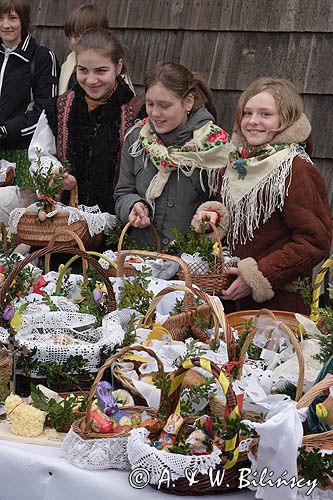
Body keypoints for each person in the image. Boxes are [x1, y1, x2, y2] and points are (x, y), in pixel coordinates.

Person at [192, 77, 332, 314]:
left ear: (285, 119)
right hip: (229, 301)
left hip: (278, 307)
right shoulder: (234, 165)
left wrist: (257, 276)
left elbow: (314, 242)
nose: (253, 121)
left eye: (265, 114)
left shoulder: (295, 169)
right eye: (247, 113)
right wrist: (214, 221)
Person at [114, 61, 233, 249]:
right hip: (141, 257)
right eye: (150, 103)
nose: (155, 113)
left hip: (192, 260)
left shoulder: (214, 146)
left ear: (188, 102)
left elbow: (225, 203)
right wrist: (132, 205)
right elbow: (123, 192)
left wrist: (212, 216)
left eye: (164, 105)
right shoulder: (137, 139)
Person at [28, 28, 142, 216]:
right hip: (64, 222)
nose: (91, 80)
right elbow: (39, 154)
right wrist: (56, 172)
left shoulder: (135, 111)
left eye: (101, 71)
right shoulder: (59, 107)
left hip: (118, 225)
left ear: (118, 66)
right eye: (83, 70)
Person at [0, 0, 59, 187]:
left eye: (12, 18)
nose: (5, 25)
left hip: (23, 156)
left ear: (24, 21)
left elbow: (46, 112)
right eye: (0, 18)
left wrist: (4, 131)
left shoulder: (41, 58)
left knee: (19, 215)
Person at [58, 3, 108, 95]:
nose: (73, 42)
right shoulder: (68, 64)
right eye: (70, 37)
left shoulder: (110, 64)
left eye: (77, 37)